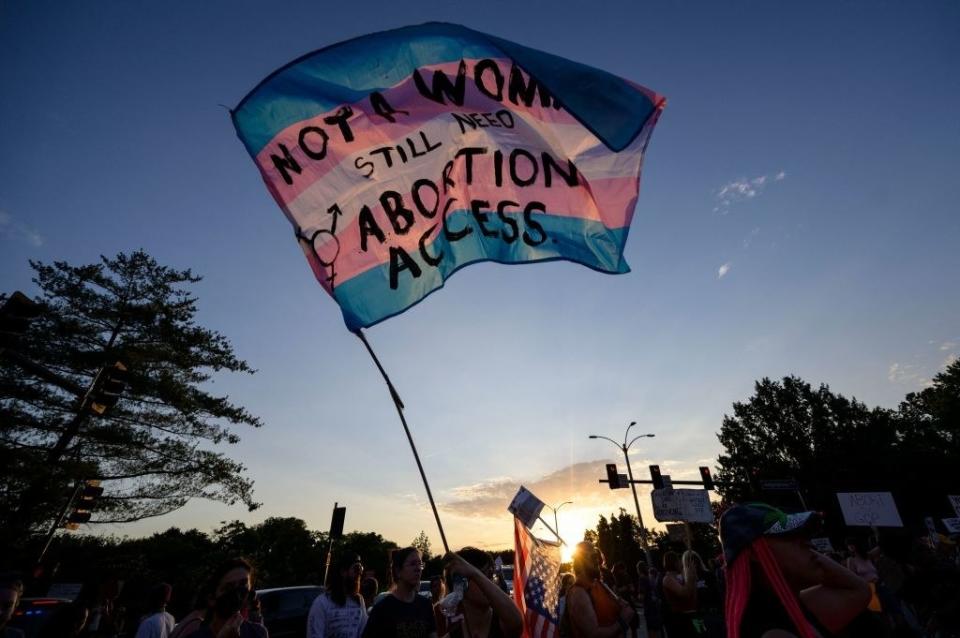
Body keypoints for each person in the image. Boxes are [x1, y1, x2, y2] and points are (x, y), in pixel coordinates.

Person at [720, 502, 870, 638]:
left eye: (805, 536)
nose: (810, 545)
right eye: (790, 537)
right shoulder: (771, 631)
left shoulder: (794, 605)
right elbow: (857, 590)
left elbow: (859, 590)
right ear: (754, 552)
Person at [442, 548, 523, 638]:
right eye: (484, 575)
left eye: (491, 576)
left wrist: (474, 573)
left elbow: (517, 622)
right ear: (461, 585)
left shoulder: (501, 624)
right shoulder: (452, 635)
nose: (489, 583)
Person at [566, 542, 635, 638]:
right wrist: (622, 622)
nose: (598, 560)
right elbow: (594, 634)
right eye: (594, 557)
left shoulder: (599, 584)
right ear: (581, 561)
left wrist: (623, 608)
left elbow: (620, 607)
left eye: (598, 556)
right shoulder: (579, 592)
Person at [362, 547, 435, 638]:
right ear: (398, 571)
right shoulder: (382, 610)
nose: (418, 569)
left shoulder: (426, 605)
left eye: (420, 564)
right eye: (412, 564)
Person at [193, 558, 268, 638]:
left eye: (243, 584)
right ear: (212, 599)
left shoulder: (258, 632)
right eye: (228, 588)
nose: (237, 594)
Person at [308, 552, 367, 638]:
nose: (359, 573)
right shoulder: (321, 603)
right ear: (343, 572)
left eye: (361, 569)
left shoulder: (359, 600)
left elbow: (363, 631)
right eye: (356, 569)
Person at [659, 551, 698, 638]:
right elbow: (684, 593)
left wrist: (693, 578)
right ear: (674, 562)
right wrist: (690, 578)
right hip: (682, 619)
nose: (681, 563)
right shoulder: (668, 579)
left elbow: (693, 596)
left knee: (703, 634)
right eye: (679, 560)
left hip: (695, 615)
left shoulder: (682, 575)